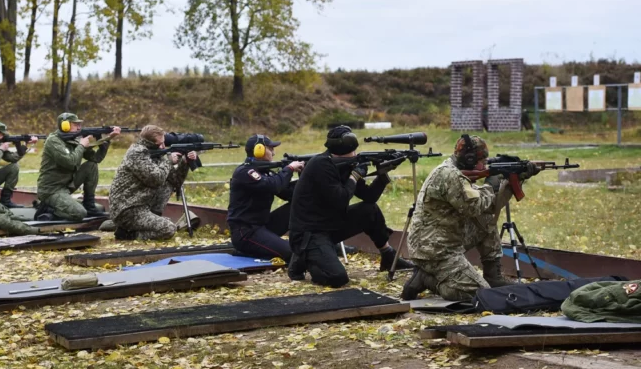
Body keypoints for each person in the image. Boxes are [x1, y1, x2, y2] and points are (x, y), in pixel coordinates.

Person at [401, 135, 538, 301]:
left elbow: (489, 206)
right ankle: (427, 279)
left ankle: (493, 276)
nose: (484, 164)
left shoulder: (458, 170)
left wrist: (517, 178)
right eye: (482, 160)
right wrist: (491, 185)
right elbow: (475, 207)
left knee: (486, 219)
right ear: (469, 158)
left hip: (445, 237)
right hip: (433, 249)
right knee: (479, 294)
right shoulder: (450, 176)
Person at [287, 125, 412, 288]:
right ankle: (303, 260)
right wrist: (354, 176)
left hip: (329, 226)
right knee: (337, 278)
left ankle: (388, 255)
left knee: (369, 210)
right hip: (308, 233)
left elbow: (369, 197)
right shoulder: (320, 165)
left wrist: (382, 174)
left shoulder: (345, 166)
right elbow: (340, 199)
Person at [109, 125, 197, 240]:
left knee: (168, 184)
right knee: (168, 229)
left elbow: (175, 181)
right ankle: (127, 234)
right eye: (159, 144)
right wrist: (168, 161)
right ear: (148, 143)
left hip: (141, 205)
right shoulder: (136, 153)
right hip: (126, 209)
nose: (163, 147)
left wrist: (185, 163)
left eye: (164, 143)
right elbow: (156, 179)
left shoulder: (157, 153)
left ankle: (153, 218)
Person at [227, 134, 304, 261]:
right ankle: (246, 252)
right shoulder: (245, 172)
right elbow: (273, 186)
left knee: (298, 205)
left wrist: (304, 175)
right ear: (259, 150)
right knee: (293, 253)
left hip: (262, 226)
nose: (273, 153)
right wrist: (289, 169)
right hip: (246, 232)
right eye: (270, 149)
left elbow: (288, 193)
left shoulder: (266, 172)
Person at [36, 113, 119, 221]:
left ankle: (89, 205)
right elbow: (70, 162)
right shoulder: (53, 141)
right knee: (79, 213)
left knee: (91, 165)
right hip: (51, 190)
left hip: (67, 184)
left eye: (79, 124)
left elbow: (95, 158)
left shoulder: (73, 139)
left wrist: (107, 139)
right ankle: (49, 210)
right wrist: (81, 146)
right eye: (75, 124)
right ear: (64, 125)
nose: (79, 127)